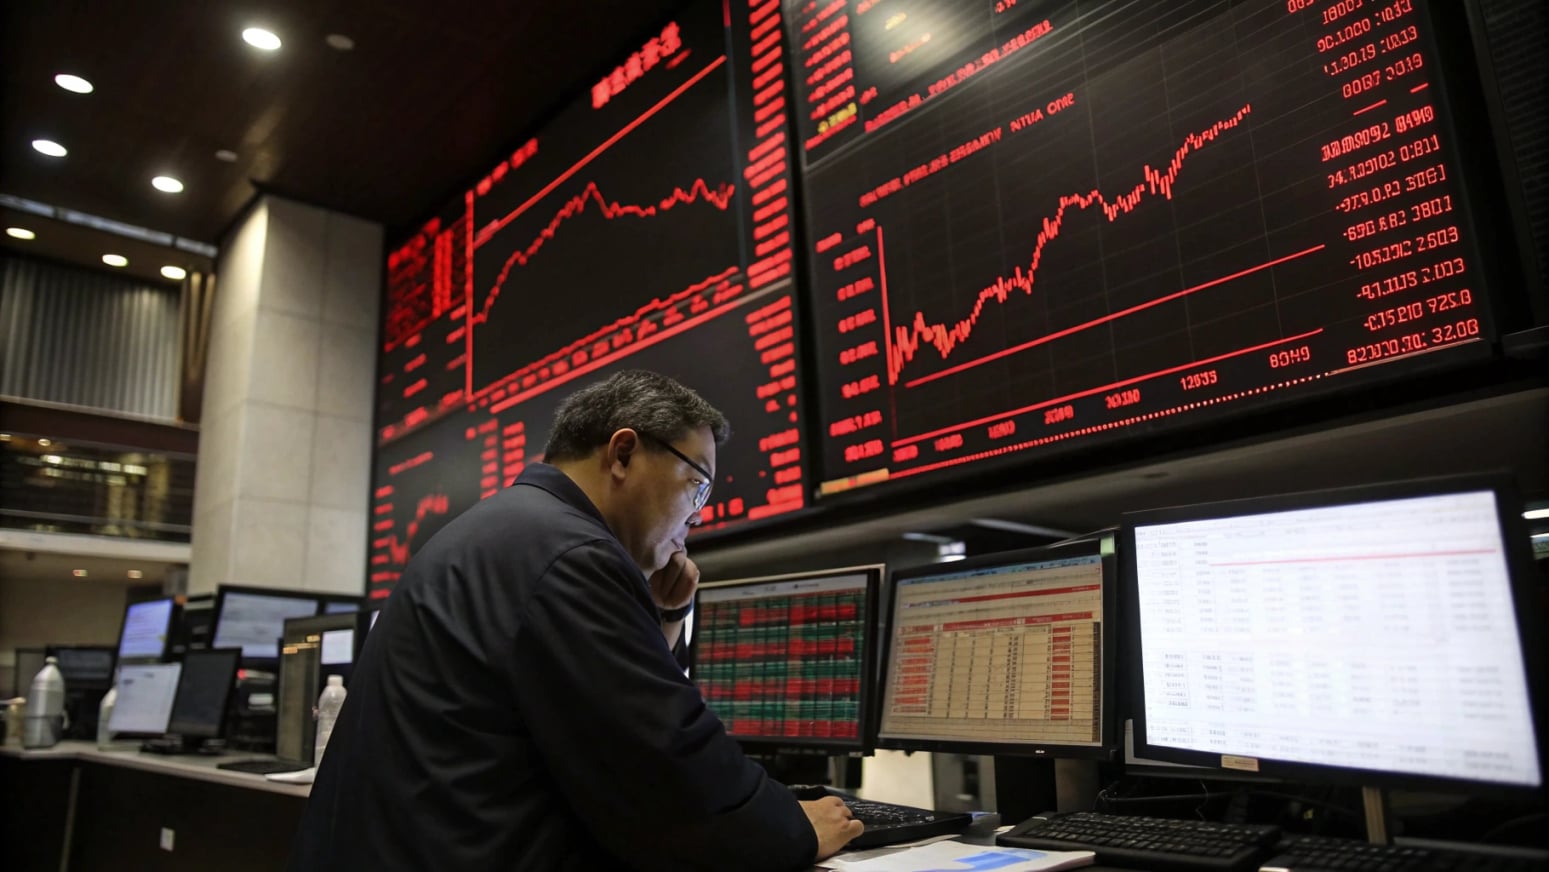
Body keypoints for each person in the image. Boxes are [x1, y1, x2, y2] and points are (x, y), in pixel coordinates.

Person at [289, 370, 863, 871]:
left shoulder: (509, 530)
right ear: (623, 454)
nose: (696, 517)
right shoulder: (572, 556)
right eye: (698, 486)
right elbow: (667, 779)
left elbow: (606, 727)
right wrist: (792, 825)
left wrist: (660, 617)